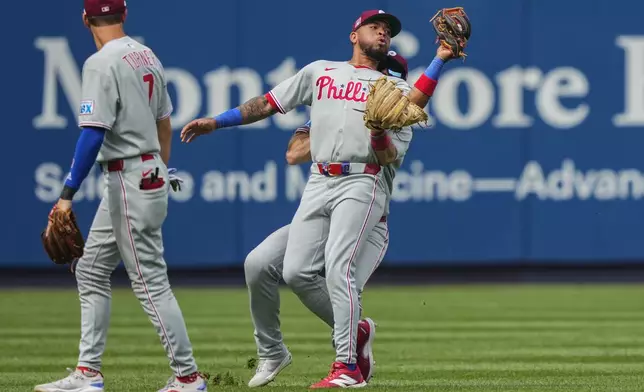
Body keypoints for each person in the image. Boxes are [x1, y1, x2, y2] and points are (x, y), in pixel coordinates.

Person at [181, 9, 455, 388]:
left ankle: (347, 368)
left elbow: (393, 143)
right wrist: (217, 121)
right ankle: (304, 345)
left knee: (338, 270)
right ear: (353, 35)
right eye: (375, 27)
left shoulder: (397, 105)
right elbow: (269, 108)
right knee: (281, 269)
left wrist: (440, 59)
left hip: (363, 184)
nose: (383, 33)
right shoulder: (321, 72)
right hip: (320, 181)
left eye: (388, 33)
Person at [34, 1, 206, 391]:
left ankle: (188, 377)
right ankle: (88, 373)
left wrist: (66, 195)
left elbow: (93, 132)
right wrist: (161, 169)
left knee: (150, 283)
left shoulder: (100, 62)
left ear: (85, 19)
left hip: (128, 177)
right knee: (91, 268)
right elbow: (165, 122)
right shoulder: (146, 55)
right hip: (143, 172)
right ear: (124, 15)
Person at [244, 53, 409, 388]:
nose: (377, 84)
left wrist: (365, 128)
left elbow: (386, 154)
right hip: (324, 206)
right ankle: (274, 350)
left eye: (387, 78)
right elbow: (293, 152)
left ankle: (347, 362)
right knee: (258, 263)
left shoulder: (399, 117)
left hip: (365, 219)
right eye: (378, 72)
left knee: (338, 278)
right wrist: (332, 123)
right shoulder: (340, 97)